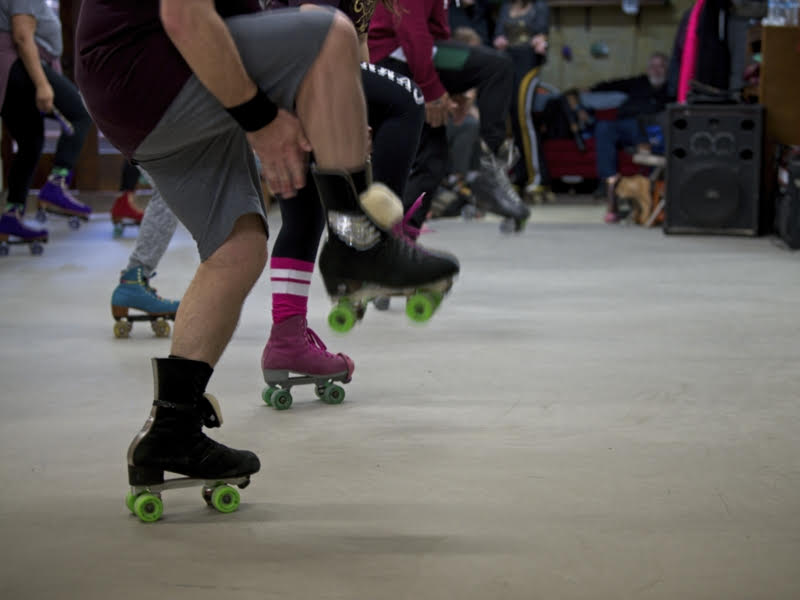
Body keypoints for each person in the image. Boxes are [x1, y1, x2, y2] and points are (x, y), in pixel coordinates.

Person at [75, 0, 458, 519]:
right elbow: (185, 16)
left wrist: (317, 110)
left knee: (237, 248)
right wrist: (260, 120)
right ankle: (356, 246)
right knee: (332, 33)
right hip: (146, 69)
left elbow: (243, 19)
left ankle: (172, 429)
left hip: (139, 94)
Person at [369, 0, 531, 232]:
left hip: (411, 57)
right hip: (393, 56)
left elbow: (438, 34)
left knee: (433, 160)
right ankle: (489, 167)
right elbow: (411, 31)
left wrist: (452, 88)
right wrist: (431, 89)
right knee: (498, 67)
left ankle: (400, 239)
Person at [0, 0, 92, 248]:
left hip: (11, 72)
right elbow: (21, 35)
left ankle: (12, 214)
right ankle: (56, 185)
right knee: (80, 114)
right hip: (20, 66)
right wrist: (42, 84)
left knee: (30, 142)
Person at [589, 51, 672, 207]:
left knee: (648, 127)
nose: (656, 70)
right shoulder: (638, 82)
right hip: (626, 126)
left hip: (652, 128)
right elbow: (612, 84)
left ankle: (653, 185)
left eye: (660, 66)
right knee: (604, 127)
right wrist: (590, 89)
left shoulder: (671, 87)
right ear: (647, 69)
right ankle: (607, 182)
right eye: (653, 66)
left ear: (667, 69)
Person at [492, 0, 549, 188]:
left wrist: (540, 40)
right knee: (510, 120)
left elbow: (541, 32)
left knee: (524, 118)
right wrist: (499, 40)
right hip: (508, 62)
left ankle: (537, 176)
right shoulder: (506, 7)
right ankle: (519, 175)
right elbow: (499, 33)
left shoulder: (538, 6)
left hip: (528, 63)